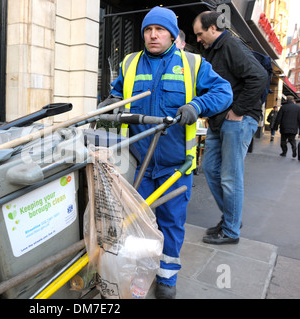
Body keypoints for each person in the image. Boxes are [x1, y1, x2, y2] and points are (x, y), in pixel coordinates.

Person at [100, 6, 233, 299]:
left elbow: (223, 92)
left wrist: (196, 107)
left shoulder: (192, 64)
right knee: (138, 226)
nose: (152, 35)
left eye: (159, 30)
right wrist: (110, 103)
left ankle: (167, 278)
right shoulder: (130, 63)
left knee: (172, 223)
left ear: (172, 35)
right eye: (148, 30)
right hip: (139, 164)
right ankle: (140, 273)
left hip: (176, 167)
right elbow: (119, 93)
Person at [192, 11, 268, 245]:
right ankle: (231, 219)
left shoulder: (231, 45)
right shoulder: (212, 50)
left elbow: (260, 76)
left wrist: (238, 111)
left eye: (200, 33)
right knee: (211, 169)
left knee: (230, 176)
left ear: (213, 28)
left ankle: (231, 230)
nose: (198, 39)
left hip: (237, 120)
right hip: (219, 121)